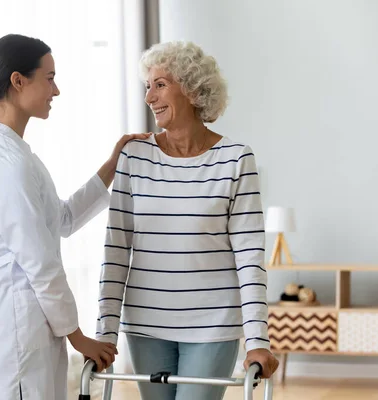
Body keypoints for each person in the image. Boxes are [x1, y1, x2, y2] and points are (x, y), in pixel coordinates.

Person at [0, 34, 151, 400]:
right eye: (49, 78)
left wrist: (111, 165)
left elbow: (60, 219)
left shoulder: (15, 154)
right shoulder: (8, 165)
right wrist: (79, 339)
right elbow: (40, 264)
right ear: (18, 81)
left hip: (25, 325)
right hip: (14, 328)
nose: (56, 91)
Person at [96, 41, 279, 400]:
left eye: (160, 84)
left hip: (213, 326)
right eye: (147, 86)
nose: (150, 97)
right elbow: (116, 249)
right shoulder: (134, 156)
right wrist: (106, 332)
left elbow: (250, 258)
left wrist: (258, 339)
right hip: (146, 326)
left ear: (193, 90)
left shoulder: (236, 159)